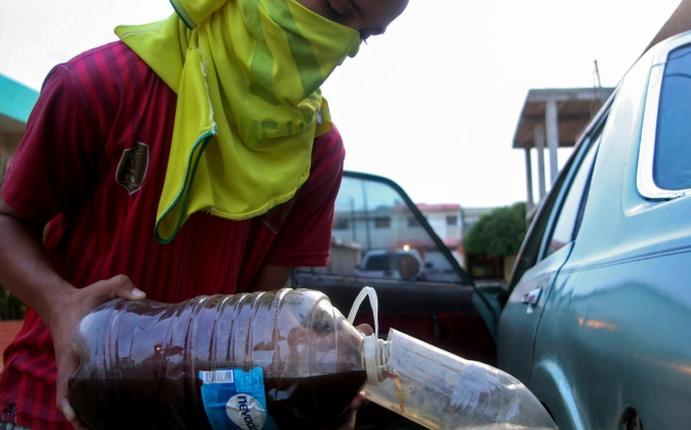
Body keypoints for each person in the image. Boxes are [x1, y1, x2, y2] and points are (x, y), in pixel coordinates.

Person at [0, 0, 409, 428]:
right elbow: (9, 221)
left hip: (182, 415)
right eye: (337, 9)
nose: (339, 42)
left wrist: (322, 373)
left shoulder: (316, 153)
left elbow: (258, 326)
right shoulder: (100, 85)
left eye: (362, 36)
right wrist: (62, 306)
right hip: (50, 405)